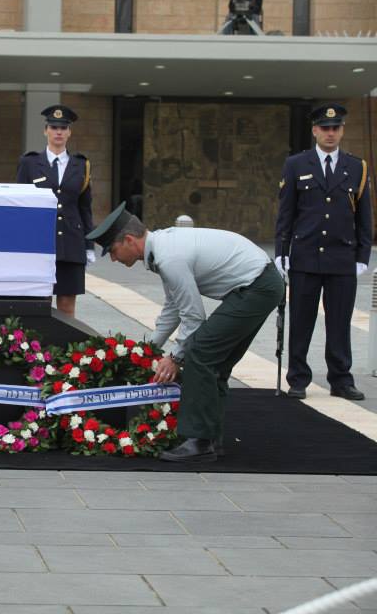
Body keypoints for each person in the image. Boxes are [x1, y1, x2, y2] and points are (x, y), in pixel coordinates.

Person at [88, 203, 284, 462]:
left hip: (257, 287)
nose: (113, 259)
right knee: (216, 361)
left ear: (129, 240)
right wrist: (149, 349)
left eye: (112, 250)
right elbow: (173, 307)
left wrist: (176, 357)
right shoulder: (162, 249)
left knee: (200, 353)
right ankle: (211, 439)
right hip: (259, 285)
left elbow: (193, 316)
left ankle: (199, 442)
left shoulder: (168, 257)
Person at [275, 103, 372, 402]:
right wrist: (282, 251)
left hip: (342, 258)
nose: (330, 133)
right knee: (301, 321)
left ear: (342, 131)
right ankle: (298, 379)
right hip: (305, 256)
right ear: (315, 130)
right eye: (325, 128)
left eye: (336, 128)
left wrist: (362, 256)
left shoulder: (357, 167)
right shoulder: (296, 165)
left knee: (340, 323)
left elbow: (364, 216)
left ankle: (341, 379)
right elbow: (286, 212)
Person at [16, 104, 95, 317]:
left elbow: (85, 207)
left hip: (71, 241)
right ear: (45, 131)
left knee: (67, 305)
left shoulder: (81, 165)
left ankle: (65, 350)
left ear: (69, 132)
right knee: (37, 303)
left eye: (63, 127)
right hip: (39, 241)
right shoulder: (30, 163)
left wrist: (89, 245)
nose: (58, 132)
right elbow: (21, 206)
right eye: (53, 127)